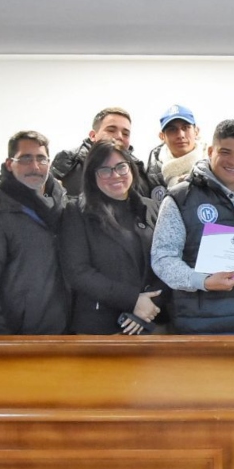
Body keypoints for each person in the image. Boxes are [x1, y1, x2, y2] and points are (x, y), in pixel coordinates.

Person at [151, 119, 234, 334]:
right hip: (202, 328)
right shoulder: (181, 197)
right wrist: (203, 281)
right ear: (211, 151)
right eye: (225, 152)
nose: (233, 161)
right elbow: (163, 258)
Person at [0, 130, 69, 334]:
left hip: (63, 335)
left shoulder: (64, 208)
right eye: (25, 159)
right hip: (15, 337)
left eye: (41, 159)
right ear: (10, 164)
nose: (35, 166)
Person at [60, 140, 166, 334]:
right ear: (92, 176)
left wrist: (149, 304)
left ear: (131, 168)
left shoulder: (152, 208)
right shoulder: (77, 211)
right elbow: (78, 272)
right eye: (105, 170)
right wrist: (133, 300)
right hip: (100, 327)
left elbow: (168, 261)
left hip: (150, 320)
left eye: (121, 167)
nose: (115, 175)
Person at [51, 106, 152, 197]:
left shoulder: (138, 169)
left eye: (125, 134)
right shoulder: (69, 163)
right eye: (111, 130)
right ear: (93, 135)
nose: (119, 136)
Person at [146, 104, 205, 202]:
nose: (180, 135)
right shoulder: (151, 174)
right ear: (162, 136)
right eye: (172, 130)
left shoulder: (213, 167)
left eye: (185, 128)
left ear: (196, 131)